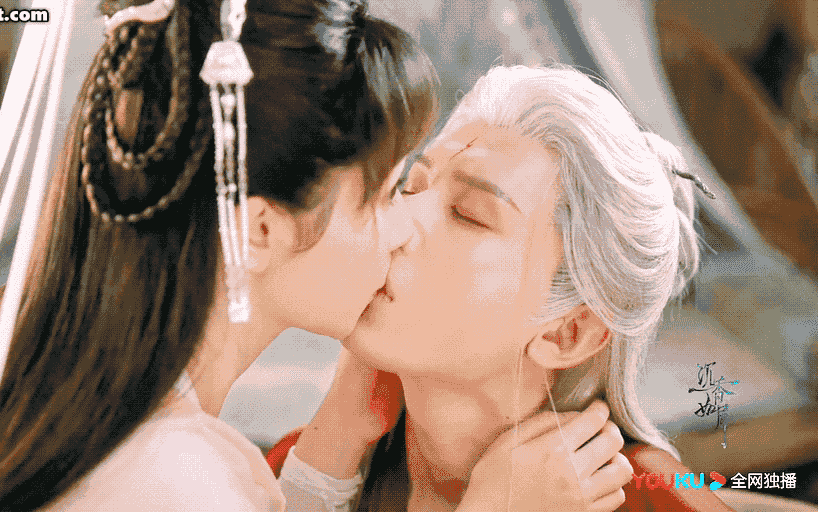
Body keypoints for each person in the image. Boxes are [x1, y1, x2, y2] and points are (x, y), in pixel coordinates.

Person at [0, 2, 624, 511]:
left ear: (572, 331)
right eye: (386, 195)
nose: (406, 227)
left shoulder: (13, 361)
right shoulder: (176, 479)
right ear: (258, 229)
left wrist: (331, 448)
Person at [267, 64, 732, 511]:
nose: (398, 220)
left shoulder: (659, 500)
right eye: (410, 187)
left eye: (468, 214)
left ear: (566, 333)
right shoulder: (313, 466)